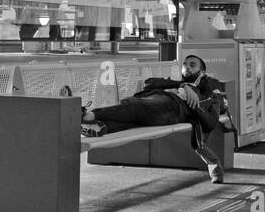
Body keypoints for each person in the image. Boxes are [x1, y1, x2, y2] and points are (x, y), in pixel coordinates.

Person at [82, 54, 228, 183]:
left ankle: (89, 115)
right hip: (157, 102)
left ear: (202, 72)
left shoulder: (210, 96)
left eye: (192, 65)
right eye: (185, 64)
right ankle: (102, 127)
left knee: (134, 107)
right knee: (133, 121)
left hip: (172, 107)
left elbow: (210, 123)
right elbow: (149, 83)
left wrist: (192, 103)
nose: (187, 67)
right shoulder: (177, 83)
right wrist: (180, 84)